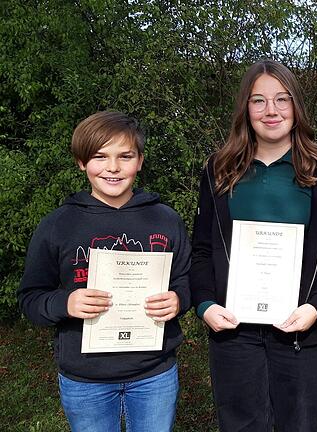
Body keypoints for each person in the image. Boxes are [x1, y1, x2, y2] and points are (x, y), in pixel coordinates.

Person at [190, 59, 317, 432]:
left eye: (282, 99)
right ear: (245, 109)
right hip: (233, 331)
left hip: (301, 332)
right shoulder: (219, 169)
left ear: (296, 105)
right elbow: (201, 249)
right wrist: (205, 304)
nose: (271, 111)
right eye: (258, 101)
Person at [17, 111, 191, 432]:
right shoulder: (58, 225)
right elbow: (30, 299)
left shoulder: (166, 220)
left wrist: (178, 300)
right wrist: (65, 304)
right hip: (86, 379)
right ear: (82, 162)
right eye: (100, 156)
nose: (113, 167)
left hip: (153, 373)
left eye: (125, 156)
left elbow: (184, 280)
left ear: (139, 161)